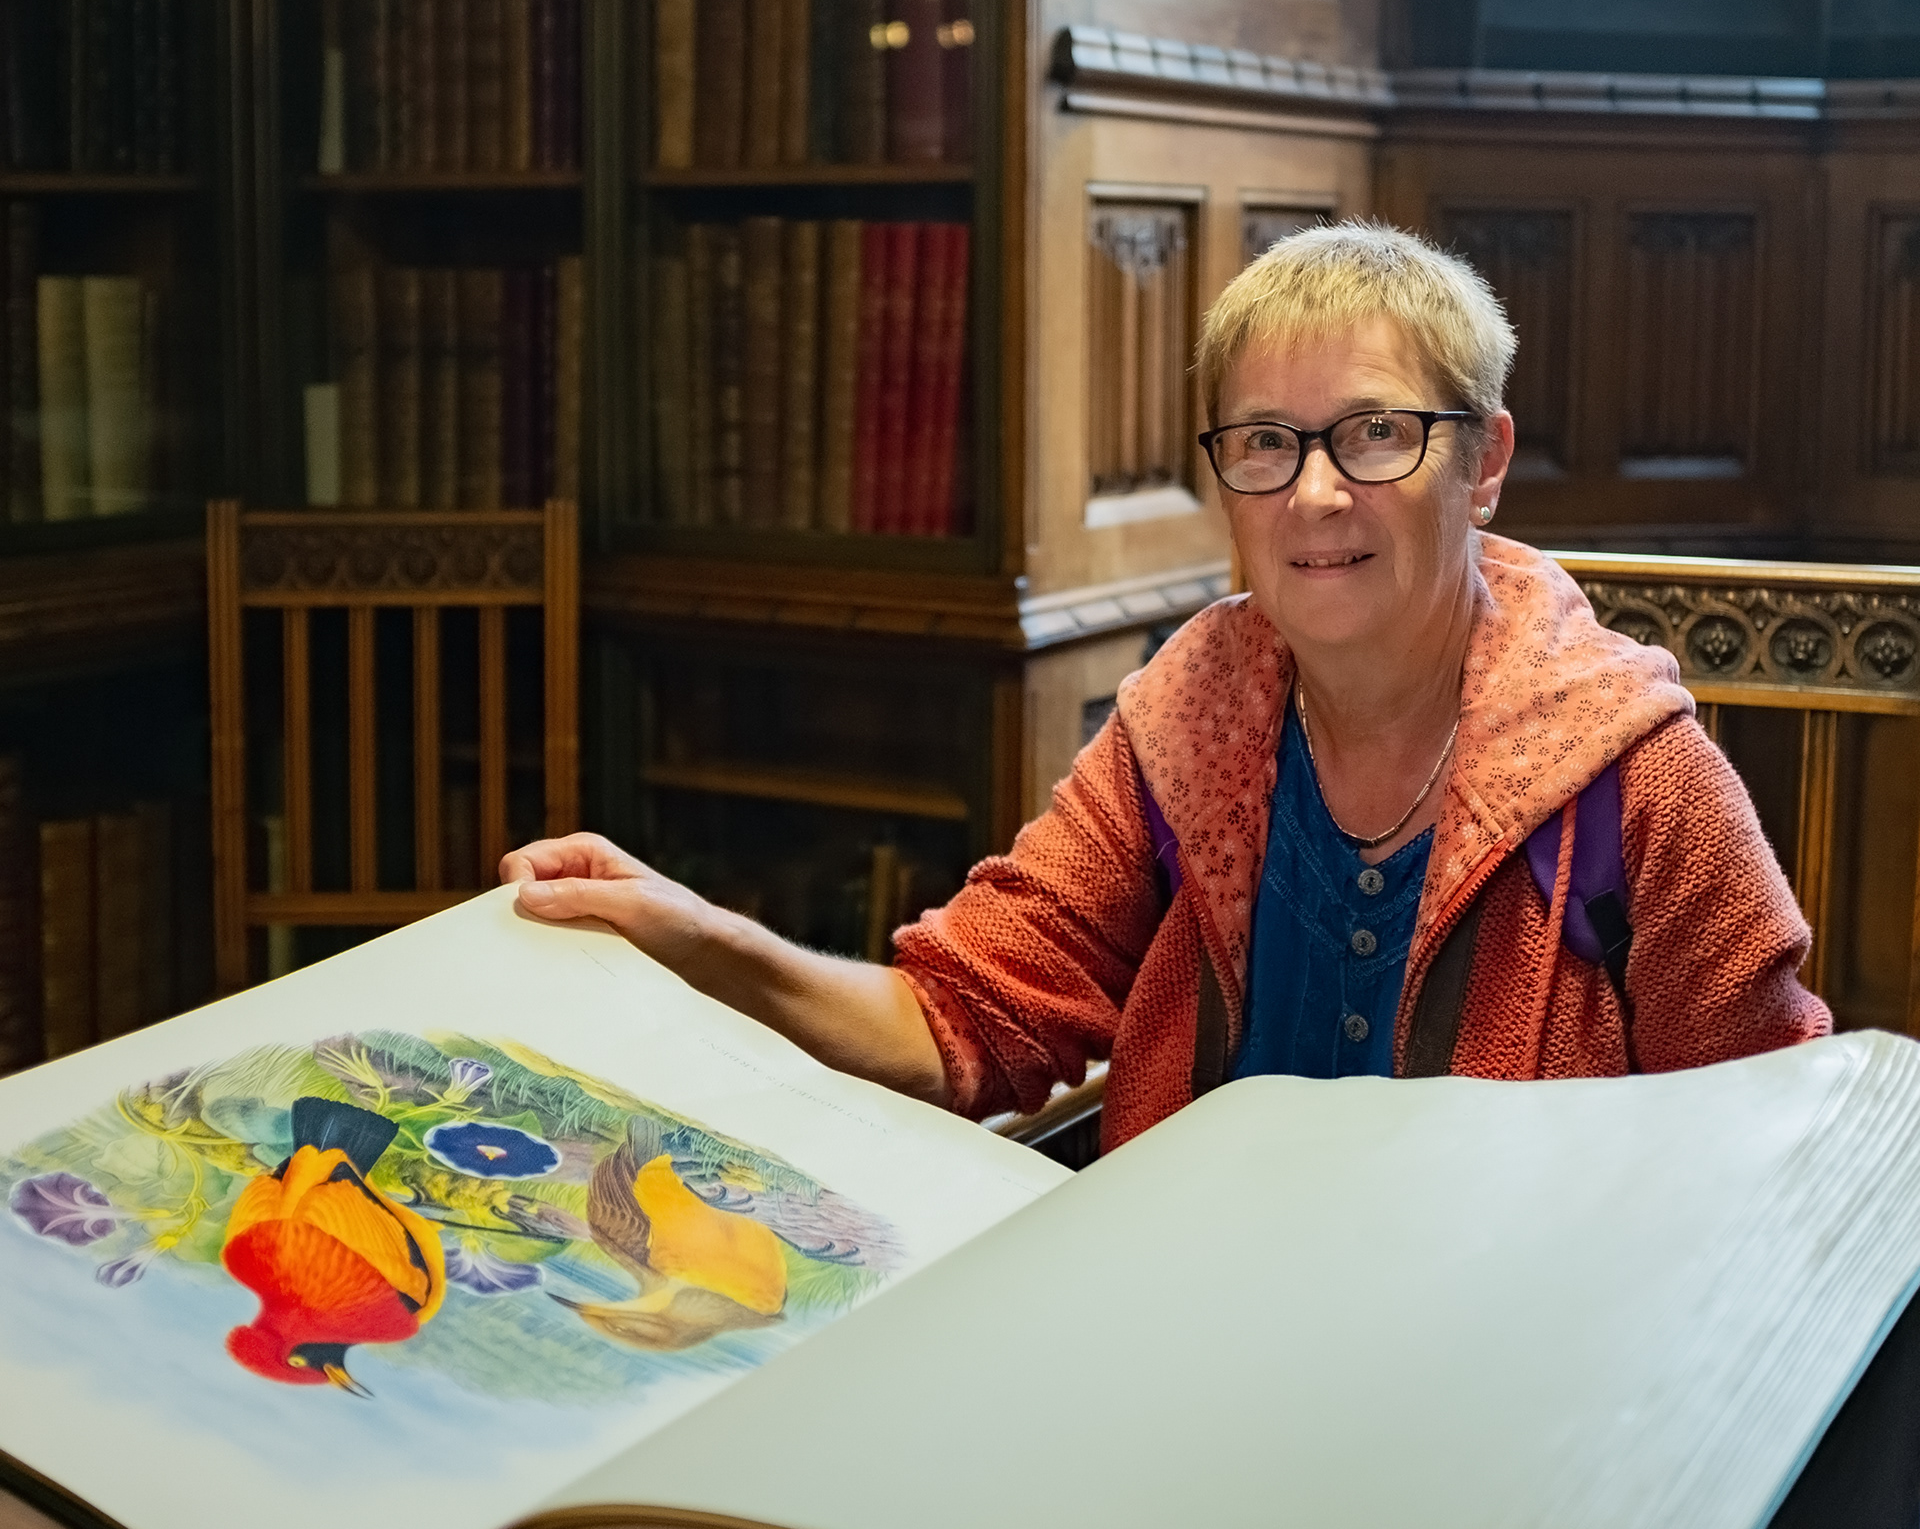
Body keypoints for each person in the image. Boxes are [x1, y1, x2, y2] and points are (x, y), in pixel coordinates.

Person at [503, 223, 1828, 1151]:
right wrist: (697, 934)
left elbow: (1765, 1146)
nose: (1315, 493)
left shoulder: (1639, 777)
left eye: (1376, 432)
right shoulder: (1187, 721)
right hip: (1195, 1339)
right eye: (1265, 443)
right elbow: (965, 1017)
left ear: (1481, 461)